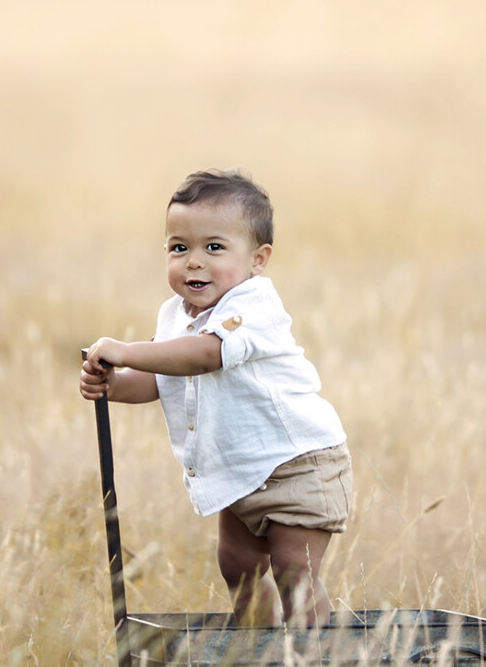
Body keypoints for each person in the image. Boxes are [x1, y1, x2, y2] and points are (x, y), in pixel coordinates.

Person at [80, 169, 351, 628]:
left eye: (214, 247)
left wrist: (125, 350)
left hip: (299, 465)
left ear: (258, 259)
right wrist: (115, 384)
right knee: (237, 566)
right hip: (238, 472)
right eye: (179, 247)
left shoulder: (253, 306)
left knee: (293, 571)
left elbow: (206, 356)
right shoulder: (174, 316)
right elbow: (166, 376)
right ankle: (257, 658)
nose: (194, 261)